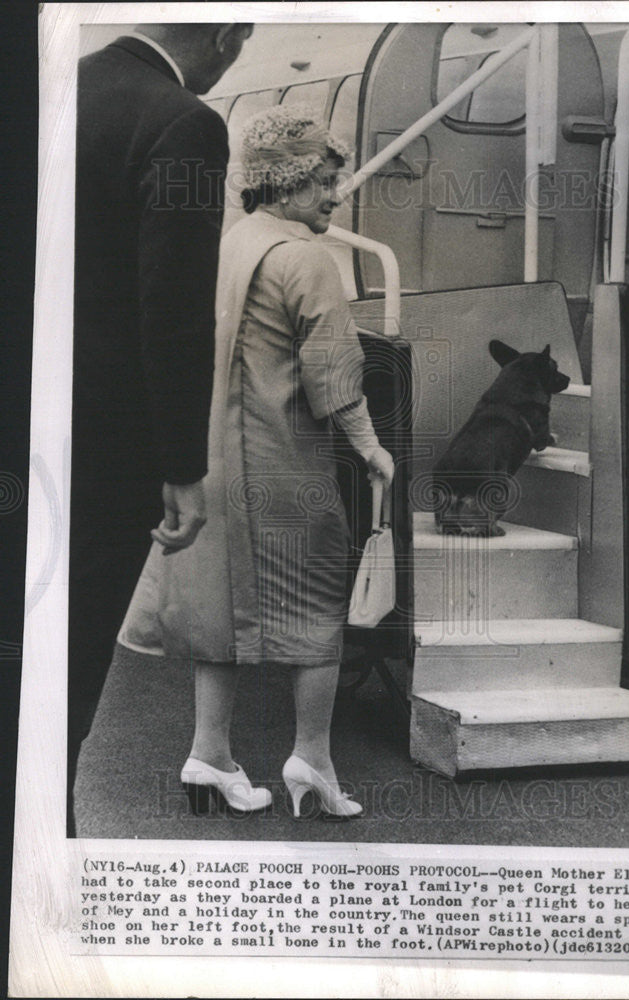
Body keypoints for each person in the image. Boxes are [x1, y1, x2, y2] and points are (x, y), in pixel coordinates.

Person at [119, 105, 394, 819]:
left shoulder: (233, 241)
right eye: (329, 182)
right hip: (282, 467)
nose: (337, 196)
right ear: (295, 183)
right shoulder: (307, 259)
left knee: (221, 605)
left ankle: (209, 755)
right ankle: (313, 762)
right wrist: (373, 451)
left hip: (217, 458)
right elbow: (333, 376)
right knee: (317, 605)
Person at [70, 23, 254, 835]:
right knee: (66, 659)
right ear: (225, 34)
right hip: (99, 452)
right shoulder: (182, 121)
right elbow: (173, 312)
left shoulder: (61, 86)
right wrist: (183, 467)